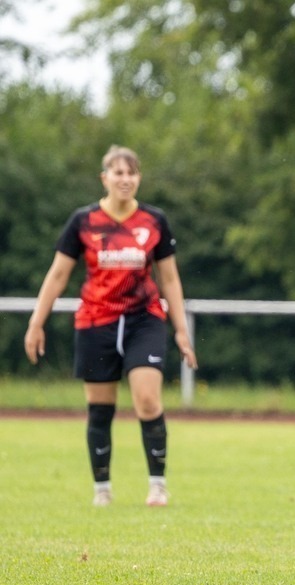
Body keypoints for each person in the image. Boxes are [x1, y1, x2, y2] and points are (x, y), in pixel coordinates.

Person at [24, 145, 198, 508]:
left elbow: (169, 279)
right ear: (104, 178)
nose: (125, 179)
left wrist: (181, 329)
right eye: (118, 172)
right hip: (96, 322)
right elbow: (58, 275)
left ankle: (157, 485)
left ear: (139, 178)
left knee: (148, 400)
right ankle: (102, 489)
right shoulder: (83, 221)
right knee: (100, 409)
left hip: (143, 319)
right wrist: (36, 322)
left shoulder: (154, 221)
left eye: (132, 173)